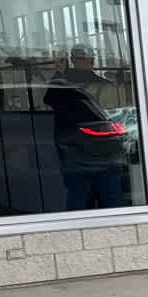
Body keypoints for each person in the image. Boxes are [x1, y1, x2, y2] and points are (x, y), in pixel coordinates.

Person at [46, 47, 124, 209]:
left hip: (74, 150)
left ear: (72, 61)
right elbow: (114, 116)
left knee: (78, 199)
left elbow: (50, 98)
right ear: (92, 61)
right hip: (105, 150)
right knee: (111, 201)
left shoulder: (64, 86)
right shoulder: (104, 86)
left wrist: (59, 73)